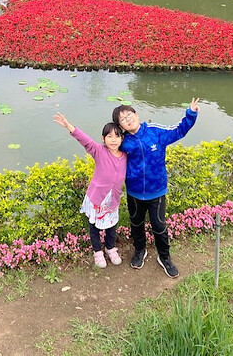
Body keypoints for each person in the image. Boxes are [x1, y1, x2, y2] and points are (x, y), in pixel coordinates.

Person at [112, 98, 200, 278]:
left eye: (129, 114)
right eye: (122, 119)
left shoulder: (155, 132)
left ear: (137, 115)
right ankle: (140, 251)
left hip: (157, 191)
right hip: (134, 192)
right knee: (136, 224)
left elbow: (179, 130)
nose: (128, 119)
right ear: (120, 126)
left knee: (159, 225)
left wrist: (190, 114)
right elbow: (108, 148)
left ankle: (165, 257)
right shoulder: (124, 142)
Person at [53, 112, 127, 269]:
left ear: (122, 139)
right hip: (97, 199)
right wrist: (68, 125)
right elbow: (84, 140)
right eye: (109, 136)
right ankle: (97, 251)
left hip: (112, 200)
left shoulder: (126, 156)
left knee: (112, 226)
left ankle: (110, 248)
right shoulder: (99, 151)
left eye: (117, 136)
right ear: (103, 139)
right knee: (94, 227)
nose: (113, 140)